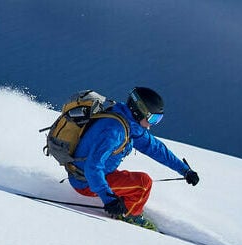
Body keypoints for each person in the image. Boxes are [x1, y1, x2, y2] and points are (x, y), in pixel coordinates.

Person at [67, 86, 199, 229]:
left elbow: (155, 148)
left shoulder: (128, 122)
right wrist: (108, 200)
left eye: (158, 119)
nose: (152, 123)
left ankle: (124, 204)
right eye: (153, 118)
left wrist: (185, 170)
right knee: (143, 184)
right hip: (85, 182)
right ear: (139, 111)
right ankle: (129, 216)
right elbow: (92, 167)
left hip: (93, 174)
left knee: (134, 181)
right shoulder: (114, 131)